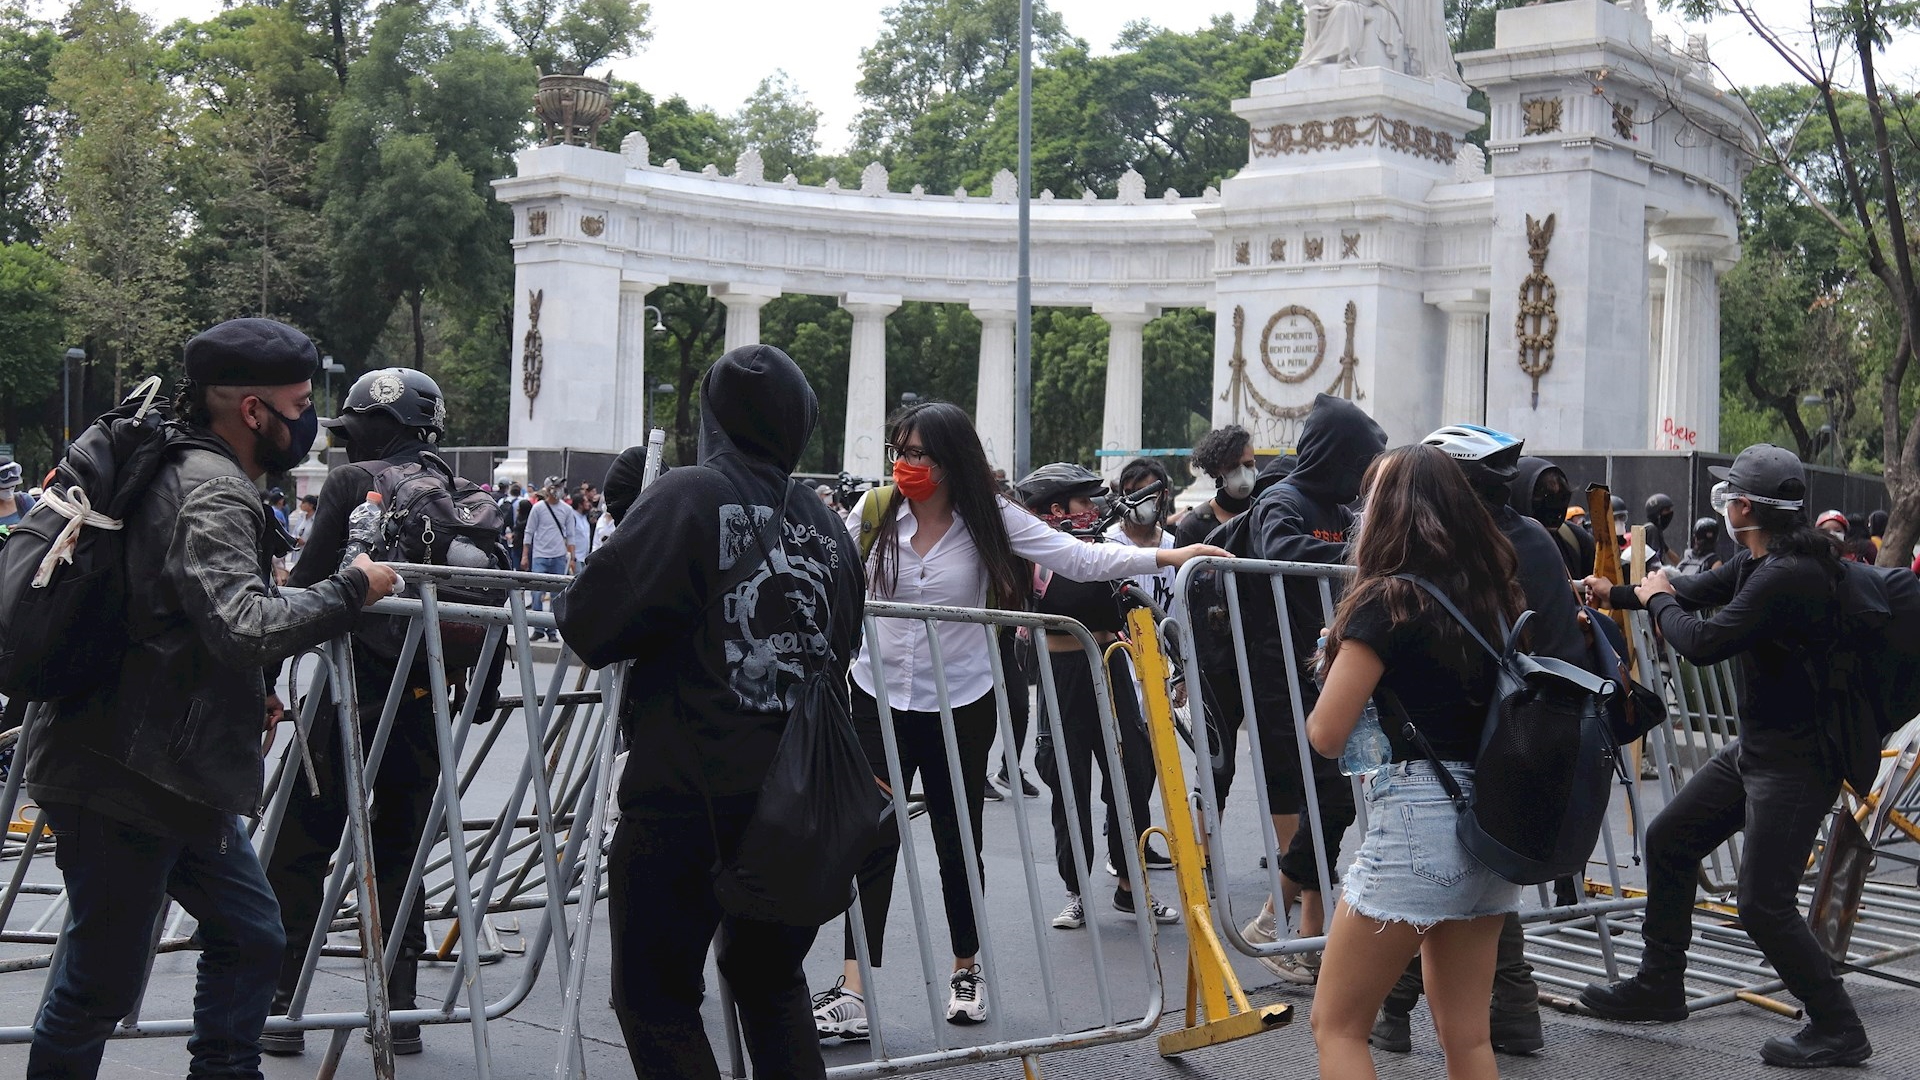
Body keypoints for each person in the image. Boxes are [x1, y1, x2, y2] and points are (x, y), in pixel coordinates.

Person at [21, 317, 399, 1080]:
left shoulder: (188, 467)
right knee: (99, 985)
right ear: (253, 411)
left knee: (251, 934)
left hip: (167, 770)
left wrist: (243, 695)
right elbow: (244, 624)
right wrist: (351, 588)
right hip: (125, 776)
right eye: (301, 405)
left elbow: (175, 614)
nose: (311, 423)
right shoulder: (213, 488)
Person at [812, 401, 1227, 1039]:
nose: (905, 464)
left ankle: (966, 970)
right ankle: (854, 990)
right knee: (872, 836)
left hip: (961, 701)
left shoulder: (991, 517)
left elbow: (1079, 560)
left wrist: (1169, 558)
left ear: (951, 460)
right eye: (899, 450)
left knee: (956, 838)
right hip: (876, 698)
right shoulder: (874, 511)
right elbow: (830, 576)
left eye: (918, 453)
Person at [556, 345, 863, 1080]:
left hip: (689, 787)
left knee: (654, 994)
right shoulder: (826, 523)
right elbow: (842, 642)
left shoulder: (689, 494)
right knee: (772, 982)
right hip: (798, 795)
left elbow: (590, 621)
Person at [1578, 444, 1873, 1069]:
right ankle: (1661, 983)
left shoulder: (1787, 575)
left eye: (1730, 494)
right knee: (1671, 838)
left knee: (1763, 904)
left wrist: (1655, 599)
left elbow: (1703, 640)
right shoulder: (1760, 560)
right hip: (1759, 752)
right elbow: (1691, 589)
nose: (1725, 503)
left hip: (1798, 765)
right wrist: (1618, 592)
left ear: (1744, 508)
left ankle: (1839, 1026)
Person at [1303, 443, 1527, 1080]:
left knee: (1337, 1026)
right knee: (1469, 1039)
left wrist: (1334, 661)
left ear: (1386, 512)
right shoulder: (1494, 600)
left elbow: (1327, 733)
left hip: (1417, 822)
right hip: (1490, 828)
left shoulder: (1388, 601)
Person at [1370, 427, 1590, 1058]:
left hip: (1491, 741)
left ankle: (1395, 1006)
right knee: (1479, 878)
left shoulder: (1470, 551)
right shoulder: (1528, 539)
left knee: (1440, 879)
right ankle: (1511, 1008)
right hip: (1537, 735)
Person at [261, 367, 453, 1057]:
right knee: (402, 851)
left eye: (354, 429)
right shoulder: (457, 492)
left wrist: (264, 681)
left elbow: (306, 592)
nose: (345, 443)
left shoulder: (352, 484)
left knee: (298, 843)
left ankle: (280, 1006)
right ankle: (399, 1013)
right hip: (424, 700)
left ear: (384, 426)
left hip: (353, 693)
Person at [1234, 393, 1384, 985]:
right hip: (1282, 674)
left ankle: (1297, 930)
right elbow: (1280, 552)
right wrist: (1361, 559)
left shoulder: (1345, 508)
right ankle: (1280, 921)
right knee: (1324, 800)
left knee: (1333, 802)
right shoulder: (1282, 499)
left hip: (1332, 669)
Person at [1019, 462, 1179, 934]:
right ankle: (1076, 895)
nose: (1093, 509)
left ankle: (1132, 887)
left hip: (1111, 671)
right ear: (1055, 510)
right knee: (1068, 783)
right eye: (1083, 501)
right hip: (1062, 679)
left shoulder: (1107, 549)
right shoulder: (1033, 557)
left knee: (1133, 775)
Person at [1510, 455, 1592, 579]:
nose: (1554, 508)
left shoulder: (1574, 539)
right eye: (1545, 497)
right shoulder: (1496, 544)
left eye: (1560, 497)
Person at [1174, 424, 1257, 547]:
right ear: (1215, 471)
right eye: (1232, 467)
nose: (1243, 473)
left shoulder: (1265, 517)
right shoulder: (1193, 526)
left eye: (1248, 465)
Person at [520, 478, 575, 640]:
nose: (559, 489)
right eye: (556, 486)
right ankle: (538, 628)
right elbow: (529, 532)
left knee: (556, 596)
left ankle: (552, 630)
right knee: (536, 594)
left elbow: (571, 535)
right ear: (548, 489)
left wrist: (572, 557)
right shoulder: (538, 508)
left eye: (560, 486)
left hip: (559, 556)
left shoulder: (567, 509)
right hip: (540, 555)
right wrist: (525, 555)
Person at [1645, 493, 1678, 566]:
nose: (1670, 512)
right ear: (1657, 514)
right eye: (1667, 510)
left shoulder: (1657, 531)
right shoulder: (1652, 530)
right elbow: (1655, 562)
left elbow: (1670, 554)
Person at [0, 461, 33, 528]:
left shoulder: (24, 500)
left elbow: (42, 525)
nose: (9, 491)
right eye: (4, 488)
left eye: (12, 487)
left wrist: (22, 529)